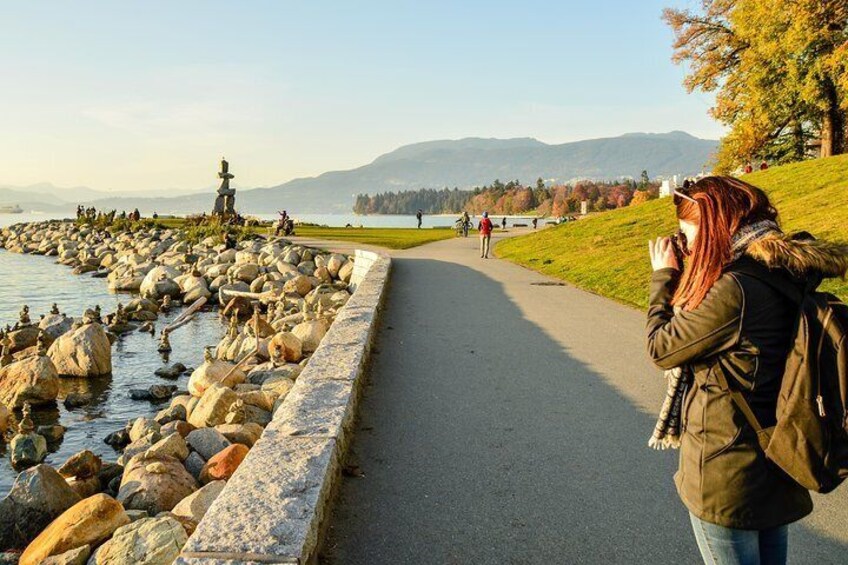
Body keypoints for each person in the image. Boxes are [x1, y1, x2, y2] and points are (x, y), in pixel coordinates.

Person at [646, 176, 847, 564]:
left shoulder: (734, 291)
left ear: (711, 229)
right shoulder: (783, 271)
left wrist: (662, 277)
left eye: (686, 233)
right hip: (778, 461)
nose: (682, 242)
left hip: (728, 473)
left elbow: (661, 347)